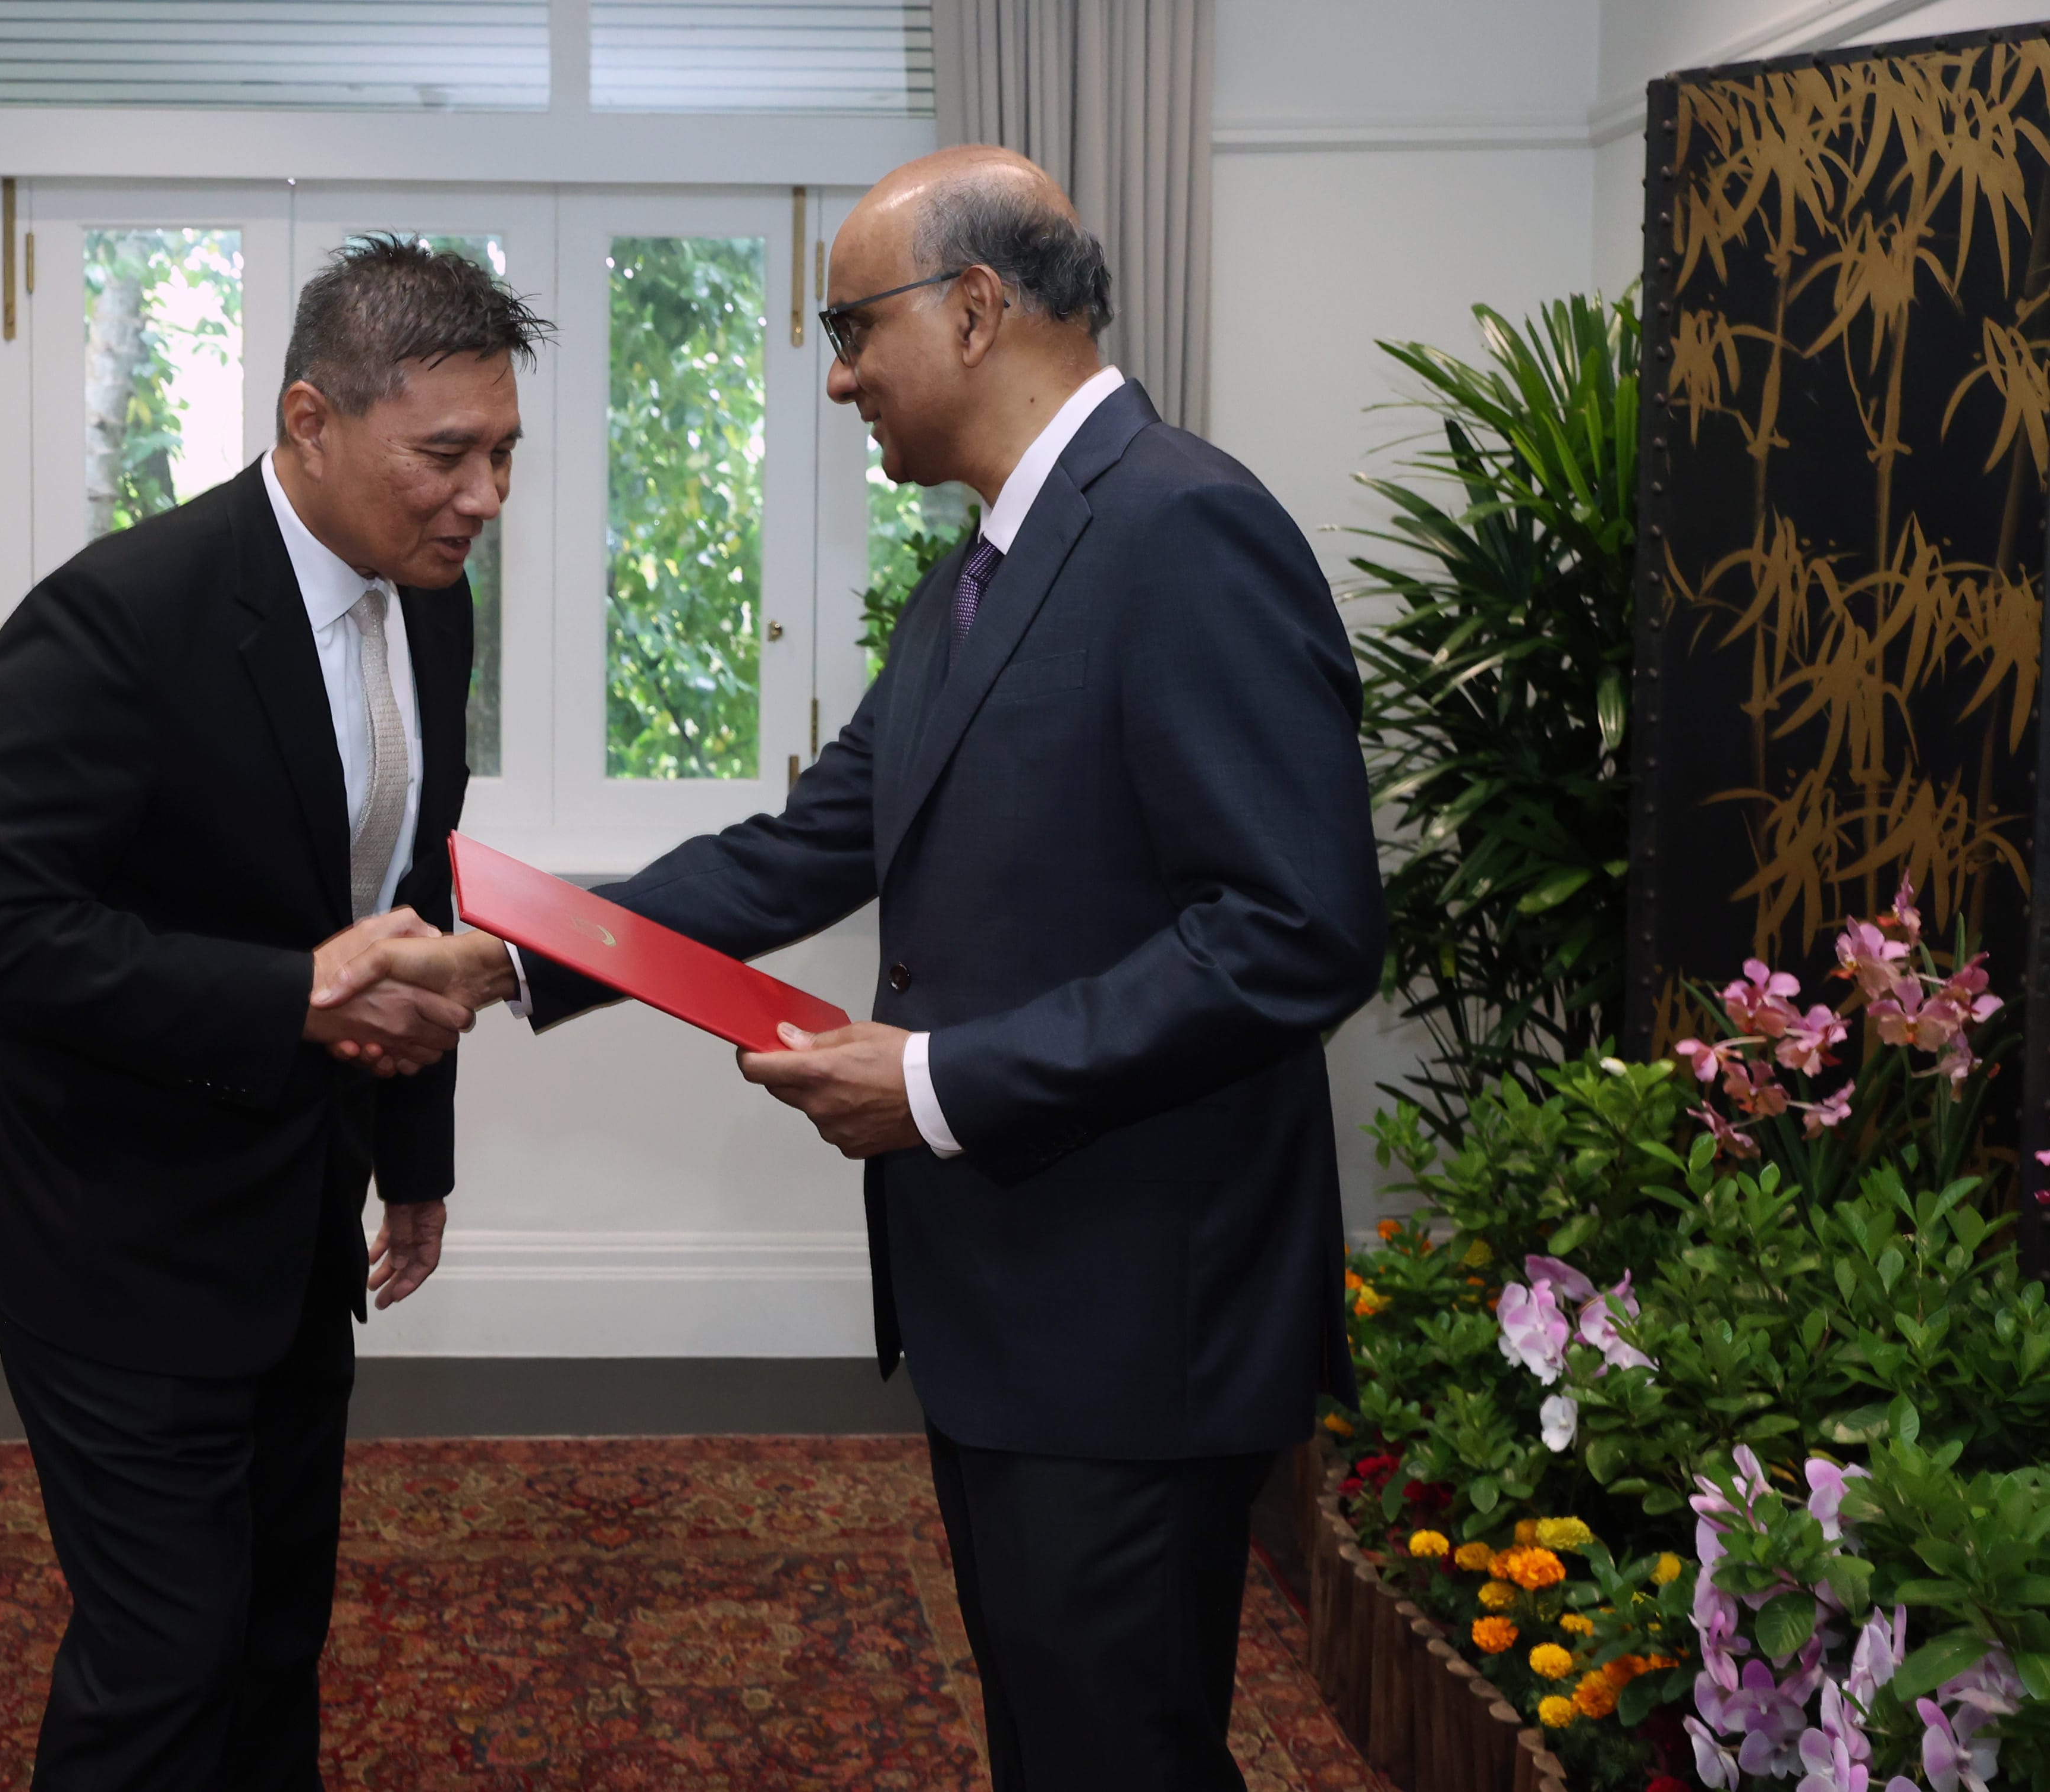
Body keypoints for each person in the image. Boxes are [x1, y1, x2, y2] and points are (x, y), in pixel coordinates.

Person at [325, 149, 1384, 1790]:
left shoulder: (1185, 529)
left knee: (1120, 1749)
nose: (833, 379)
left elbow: (1296, 928)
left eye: (848, 327)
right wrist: (495, 962)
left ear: (973, 311)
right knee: (1059, 1738)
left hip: (1131, 1314)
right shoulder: (976, 578)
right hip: (1016, 1305)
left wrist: (943, 1081)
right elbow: (806, 847)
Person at [0, 235, 549, 1790]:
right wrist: (290, 992)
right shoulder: (120, 619)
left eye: (505, 454)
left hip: (292, 1212)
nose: (483, 498)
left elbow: (409, 897)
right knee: (164, 1662)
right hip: (111, 1236)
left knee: (271, 1634)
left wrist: (415, 1149)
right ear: (310, 421)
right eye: (445, 457)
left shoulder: (432, 603)